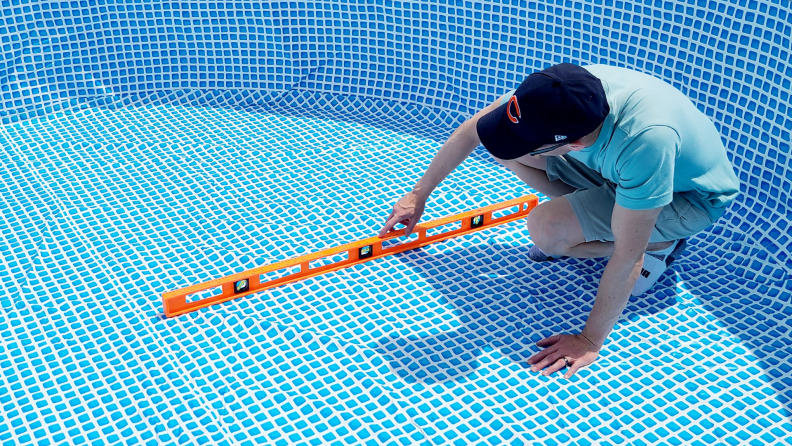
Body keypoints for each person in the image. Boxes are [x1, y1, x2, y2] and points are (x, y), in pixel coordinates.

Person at [377, 63, 740, 379]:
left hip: (686, 199)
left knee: (548, 231)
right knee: (506, 148)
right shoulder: (559, 92)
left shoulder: (645, 142)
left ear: (575, 143)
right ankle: (595, 214)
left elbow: (628, 257)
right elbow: (476, 129)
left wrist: (589, 340)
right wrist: (418, 194)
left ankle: (662, 243)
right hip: (618, 173)